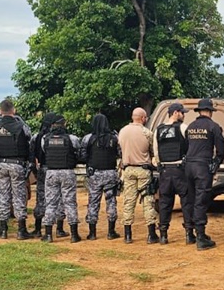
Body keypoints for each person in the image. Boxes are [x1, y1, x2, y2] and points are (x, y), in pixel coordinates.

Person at [184, 98, 224, 250]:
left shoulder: (190, 126)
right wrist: (215, 164)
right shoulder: (214, 127)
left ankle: (190, 233)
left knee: (190, 199)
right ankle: (200, 237)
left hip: (189, 166)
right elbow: (220, 151)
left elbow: (185, 148)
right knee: (201, 200)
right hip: (202, 167)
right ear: (210, 112)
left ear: (200, 111)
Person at [0, 99, 32, 240]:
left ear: (0, 111)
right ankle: (21, 230)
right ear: (13, 110)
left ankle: (3, 230)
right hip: (17, 164)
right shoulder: (22, 127)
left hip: (1, 164)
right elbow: (29, 144)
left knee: (3, 196)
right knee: (19, 196)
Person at [118, 107, 159, 244]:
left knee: (128, 201)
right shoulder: (147, 133)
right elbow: (153, 152)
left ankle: (127, 235)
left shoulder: (123, 131)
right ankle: (151, 234)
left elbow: (120, 149)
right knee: (148, 201)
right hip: (143, 170)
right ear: (143, 118)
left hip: (128, 170)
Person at [39, 113, 82, 243]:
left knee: (51, 203)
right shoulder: (72, 138)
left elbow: (45, 151)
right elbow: (78, 151)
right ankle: (74, 235)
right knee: (70, 203)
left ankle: (48, 234)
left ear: (52, 125)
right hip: (67, 172)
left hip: (51, 172)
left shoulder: (45, 138)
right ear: (64, 124)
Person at [152, 102, 190, 245]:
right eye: (182, 112)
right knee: (186, 201)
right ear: (175, 113)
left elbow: (156, 152)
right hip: (180, 170)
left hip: (165, 171)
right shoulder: (183, 127)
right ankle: (189, 234)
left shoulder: (158, 130)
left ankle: (163, 235)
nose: (184, 115)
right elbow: (190, 148)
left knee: (165, 203)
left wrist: (160, 165)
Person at [81, 113, 121, 241]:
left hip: (95, 174)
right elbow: (120, 153)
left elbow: (82, 156)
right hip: (110, 173)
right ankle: (111, 232)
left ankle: (92, 233)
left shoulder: (88, 138)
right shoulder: (114, 138)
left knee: (93, 202)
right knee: (111, 202)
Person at [29, 113, 57, 239]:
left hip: (42, 169)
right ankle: (59, 229)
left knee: (40, 199)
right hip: (54, 169)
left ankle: (37, 228)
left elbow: (31, 157)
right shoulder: (57, 137)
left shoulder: (36, 137)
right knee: (57, 199)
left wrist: (36, 172)